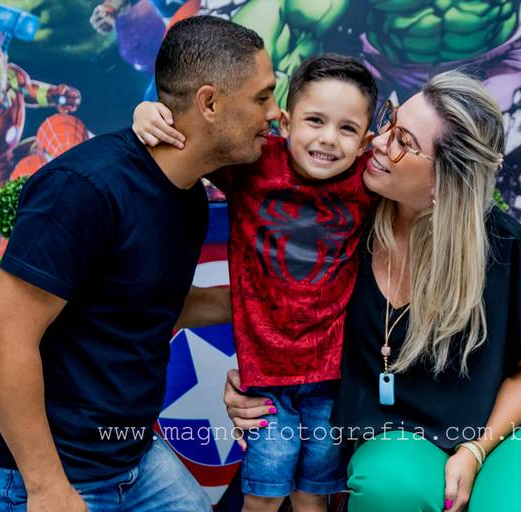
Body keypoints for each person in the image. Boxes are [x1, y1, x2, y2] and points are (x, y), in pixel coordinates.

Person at [220, 71, 521, 512]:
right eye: (389, 122)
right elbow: (271, 301)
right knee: (387, 486)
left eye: (403, 142)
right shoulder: (344, 219)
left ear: (445, 179)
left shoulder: (501, 245)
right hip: (403, 425)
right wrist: (258, 383)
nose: (377, 141)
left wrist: (475, 451)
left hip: (509, 421)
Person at [0, 16, 278, 512]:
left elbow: (150, 303)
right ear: (209, 103)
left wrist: (275, 305)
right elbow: (1, 340)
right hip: (39, 474)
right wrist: (47, 488)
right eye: (263, 96)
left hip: (132, 458)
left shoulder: (188, 196)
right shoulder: (83, 189)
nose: (275, 112)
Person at [133, 54, 378, 512]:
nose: (328, 138)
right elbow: (191, 140)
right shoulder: (254, 164)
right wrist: (147, 113)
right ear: (285, 122)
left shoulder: (368, 182)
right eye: (315, 121)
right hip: (264, 379)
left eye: (347, 129)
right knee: (263, 495)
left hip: (334, 378)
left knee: (314, 497)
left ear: (366, 142)